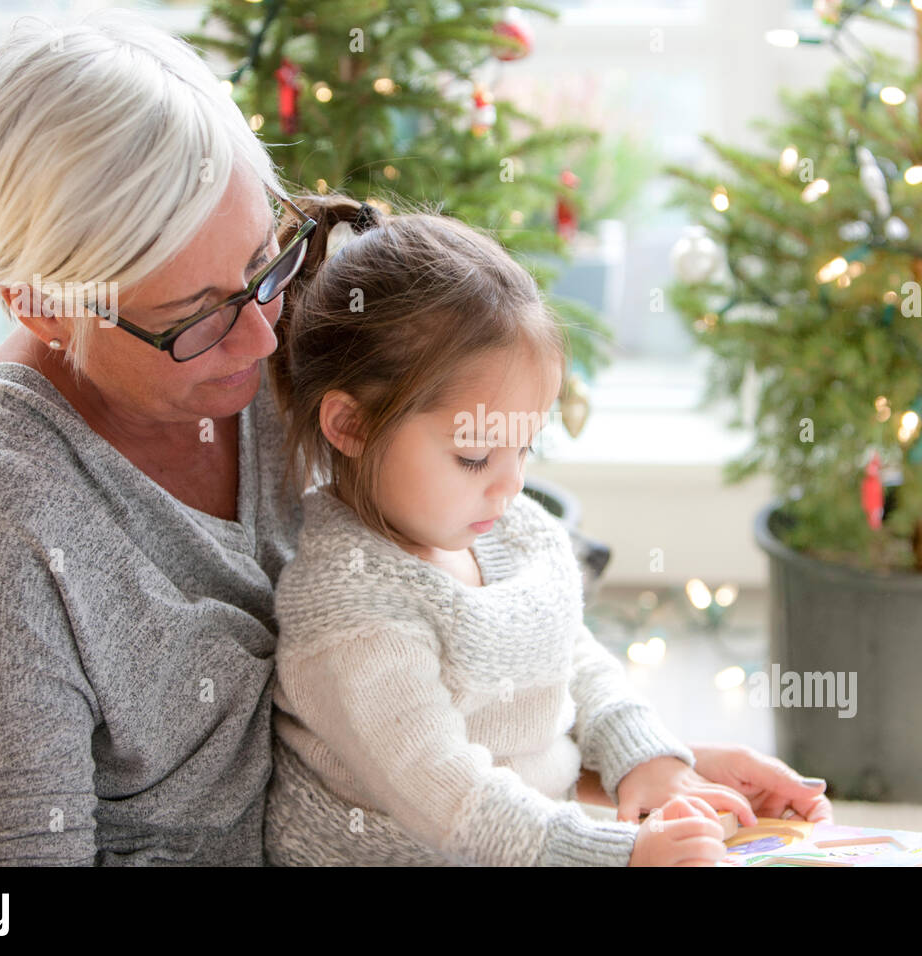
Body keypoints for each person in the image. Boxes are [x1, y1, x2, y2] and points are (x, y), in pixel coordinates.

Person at [0, 9, 829, 867]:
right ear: (40, 302)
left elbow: (423, 679)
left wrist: (636, 764)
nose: (260, 336)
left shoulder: (286, 333)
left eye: (260, 264)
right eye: (196, 314)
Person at [261, 198, 829, 866]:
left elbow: (567, 655)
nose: (508, 485)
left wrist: (645, 758)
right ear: (351, 426)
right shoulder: (347, 612)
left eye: (524, 448)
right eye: (474, 455)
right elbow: (456, 799)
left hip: (534, 841)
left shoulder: (507, 529)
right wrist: (621, 854)